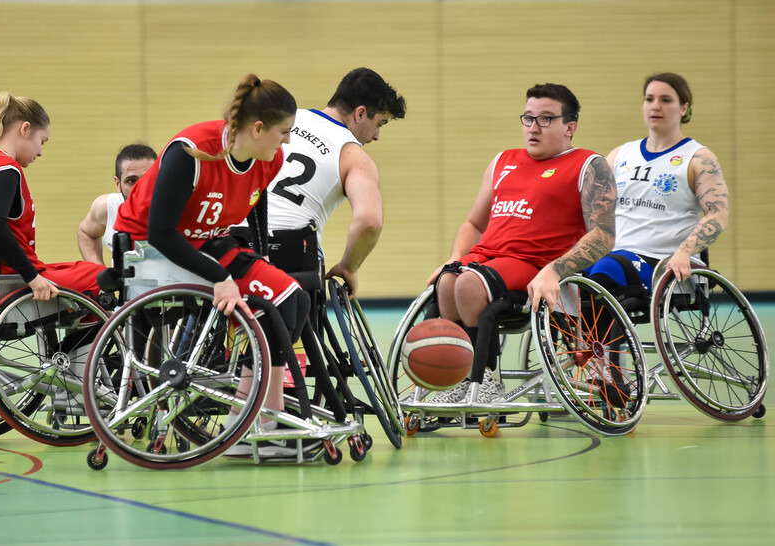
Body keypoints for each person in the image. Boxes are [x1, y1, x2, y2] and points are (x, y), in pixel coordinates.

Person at [112, 74, 309, 455]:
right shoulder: (192, 152)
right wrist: (220, 277)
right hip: (148, 248)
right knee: (271, 304)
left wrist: (262, 250)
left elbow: (256, 196)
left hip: (202, 242)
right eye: (284, 132)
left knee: (292, 300)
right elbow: (160, 232)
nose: (287, 140)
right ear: (257, 128)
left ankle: (248, 418)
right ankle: (256, 421)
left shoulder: (270, 158)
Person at [425, 83, 617, 402]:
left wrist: (555, 271)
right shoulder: (503, 161)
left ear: (570, 126)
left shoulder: (589, 165)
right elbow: (473, 223)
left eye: (545, 119)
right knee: (447, 282)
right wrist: (455, 256)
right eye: (528, 118)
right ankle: (460, 378)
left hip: (536, 264)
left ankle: (486, 379)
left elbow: (604, 235)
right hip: (489, 257)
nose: (533, 128)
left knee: (467, 285)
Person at [251, 67, 406, 296]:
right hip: (289, 252)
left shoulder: (286, 119)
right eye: (380, 124)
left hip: (237, 236)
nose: (376, 136)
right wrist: (348, 266)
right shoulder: (355, 157)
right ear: (360, 113)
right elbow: (369, 221)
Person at [0, 92, 105, 300]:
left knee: (81, 267)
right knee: (101, 277)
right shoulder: (3, 167)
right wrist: (31, 277)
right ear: (25, 129)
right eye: (42, 141)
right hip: (6, 280)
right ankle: (85, 334)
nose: (40, 152)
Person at [585, 72, 729, 297]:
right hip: (615, 252)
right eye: (649, 99)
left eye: (666, 100)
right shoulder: (620, 154)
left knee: (606, 270)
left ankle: (605, 334)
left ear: (684, 108)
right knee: (570, 272)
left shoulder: (698, 158)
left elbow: (718, 215)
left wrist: (684, 252)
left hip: (662, 261)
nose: (655, 106)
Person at [76, 143, 156, 265]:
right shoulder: (106, 207)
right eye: (132, 181)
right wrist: (98, 271)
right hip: (125, 282)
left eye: (148, 179)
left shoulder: (181, 208)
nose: (141, 188)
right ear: (118, 183)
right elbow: (86, 232)